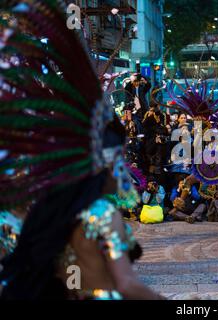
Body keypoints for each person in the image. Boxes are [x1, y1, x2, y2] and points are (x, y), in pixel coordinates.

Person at [0, 1, 164, 300]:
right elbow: (127, 286)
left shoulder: (40, 211)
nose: (125, 170)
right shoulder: (100, 214)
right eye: (119, 160)